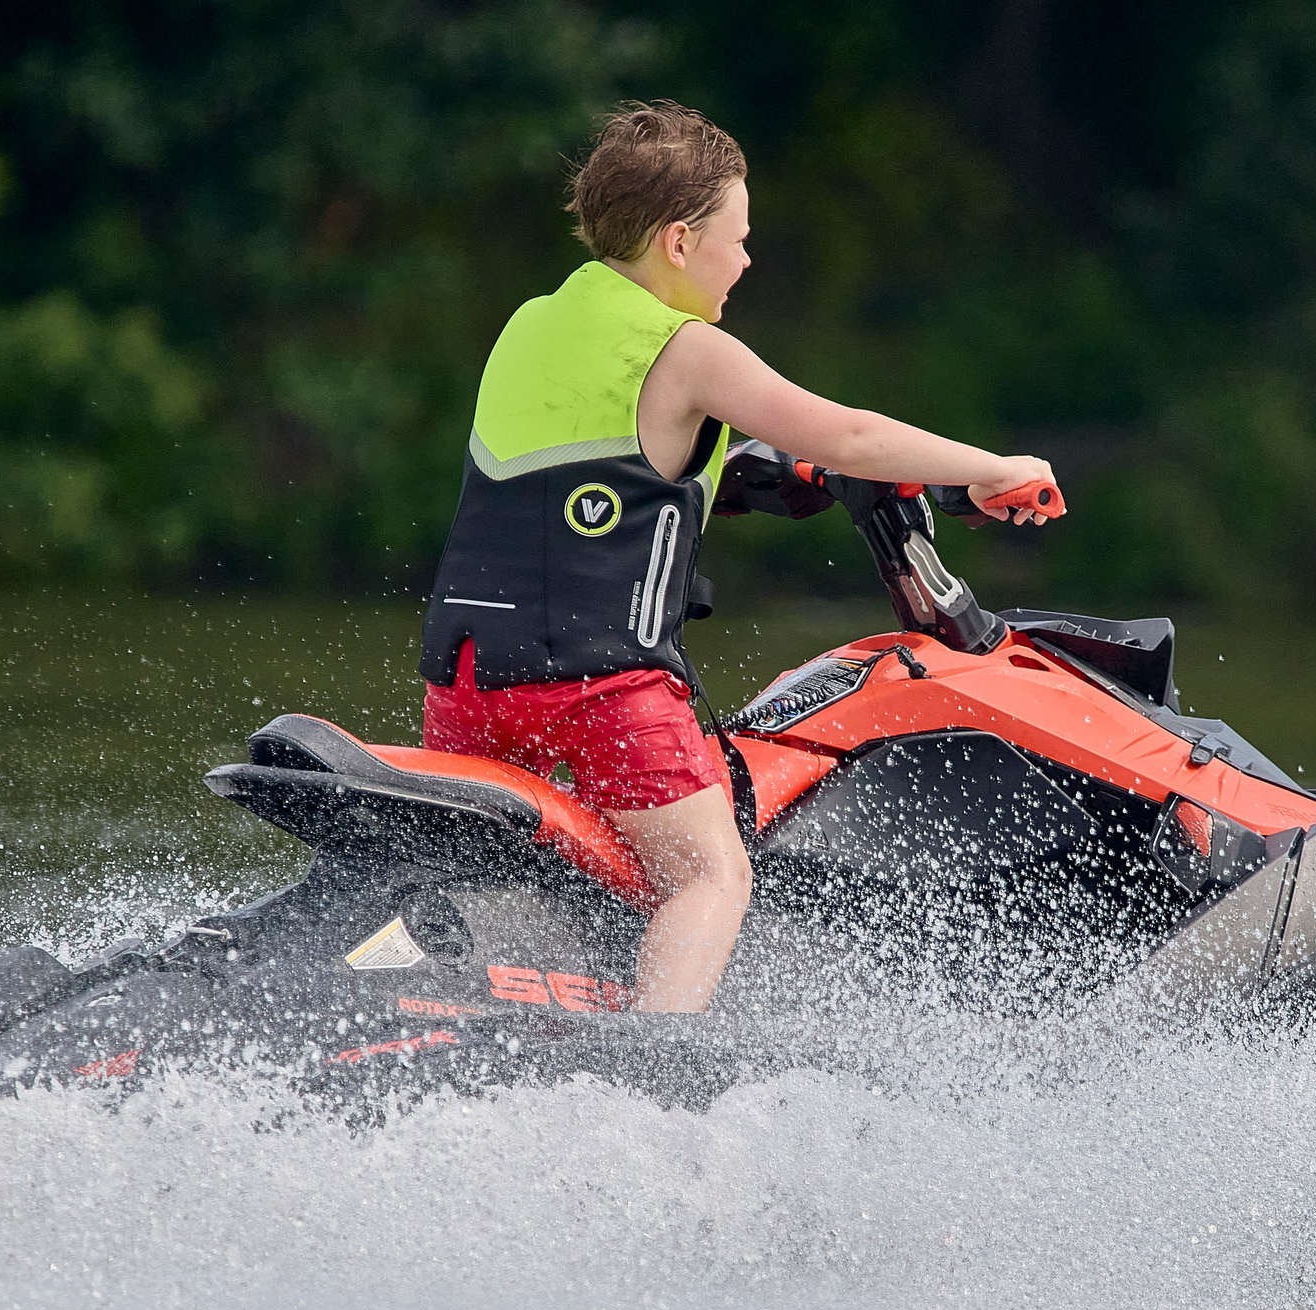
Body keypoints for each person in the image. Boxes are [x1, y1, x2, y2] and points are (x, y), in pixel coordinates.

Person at [420, 101, 1060, 1012]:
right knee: (707, 879)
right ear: (679, 242)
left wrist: (774, 476)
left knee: (472, 865)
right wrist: (999, 469)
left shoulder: (530, 324)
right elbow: (853, 436)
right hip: (600, 692)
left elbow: (613, 464)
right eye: (739, 237)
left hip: (470, 683)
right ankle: (654, 1064)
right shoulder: (686, 350)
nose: (749, 260)